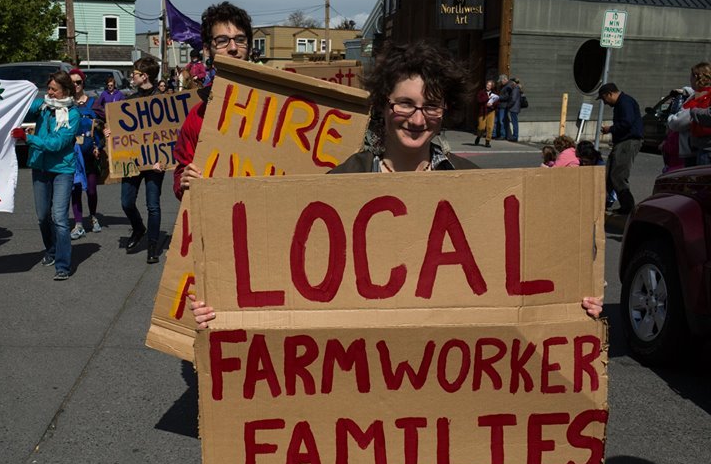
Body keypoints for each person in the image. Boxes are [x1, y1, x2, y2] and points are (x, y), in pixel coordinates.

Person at [189, 41, 604, 325]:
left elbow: (514, 277)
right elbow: (283, 275)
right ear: (384, 105)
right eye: (405, 103)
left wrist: (570, 302)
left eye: (432, 106)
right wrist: (223, 307)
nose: (418, 119)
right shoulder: (340, 183)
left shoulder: (475, 185)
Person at [173, 2, 254, 201]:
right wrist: (183, 181)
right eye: (223, 41)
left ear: (250, 47)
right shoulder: (197, 116)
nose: (233, 48)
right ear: (208, 50)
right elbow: (181, 171)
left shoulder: (281, 106)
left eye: (240, 39)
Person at [12, 70, 80, 281]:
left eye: (54, 90)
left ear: (66, 91)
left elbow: (57, 144)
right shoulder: (43, 107)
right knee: (43, 216)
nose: (49, 93)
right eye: (48, 88)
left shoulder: (73, 115)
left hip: (62, 170)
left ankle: (63, 264)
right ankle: (50, 250)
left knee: (59, 218)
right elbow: (21, 112)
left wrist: (29, 138)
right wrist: (21, 96)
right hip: (40, 168)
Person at [106, 56, 166, 263]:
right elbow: (121, 131)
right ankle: (139, 228)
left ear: (145, 76)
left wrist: (165, 159)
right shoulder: (129, 101)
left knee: (153, 205)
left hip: (155, 162)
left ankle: (152, 246)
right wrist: (110, 133)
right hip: (132, 160)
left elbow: (171, 135)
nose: (132, 75)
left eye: (135, 73)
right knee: (126, 202)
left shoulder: (164, 100)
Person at [67, 69, 103, 239]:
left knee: (91, 190)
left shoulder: (93, 103)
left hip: (89, 152)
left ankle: (94, 216)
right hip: (73, 154)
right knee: (75, 189)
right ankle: (78, 224)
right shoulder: (65, 104)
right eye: (72, 82)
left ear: (83, 83)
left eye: (78, 82)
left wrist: (100, 145)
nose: (75, 85)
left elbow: (103, 126)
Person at [598, 82, 643, 215]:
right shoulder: (622, 103)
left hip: (628, 141)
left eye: (604, 99)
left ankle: (628, 207)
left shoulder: (625, 102)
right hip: (622, 142)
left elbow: (627, 122)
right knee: (609, 173)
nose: (605, 103)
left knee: (618, 174)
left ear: (609, 94)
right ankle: (603, 203)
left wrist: (610, 129)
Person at [667, 62, 711, 167]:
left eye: (691, 76)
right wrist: (685, 90)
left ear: (696, 77)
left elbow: (678, 123)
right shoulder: (705, 93)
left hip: (696, 149)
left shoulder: (697, 99)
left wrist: (671, 116)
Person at [474, 79, 498, 147]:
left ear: (492, 86)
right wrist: (487, 98)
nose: (488, 86)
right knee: (481, 127)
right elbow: (479, 100)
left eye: (490, 85)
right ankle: (478, 136)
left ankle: (487, 141)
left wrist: (492, 105)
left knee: (490, 127)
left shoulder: (494, 93)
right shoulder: (481, 92)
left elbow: (497, 101)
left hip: (491, 111)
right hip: (483, 112)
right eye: (487, 84)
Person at [493, 74, 510, 140]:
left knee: (501, 121)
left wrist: (498, 97)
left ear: (505, 79)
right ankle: (497, 134)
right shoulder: (503, 86)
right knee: (497, 120)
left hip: (503, 106)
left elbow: (506, 96)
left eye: (501, 81)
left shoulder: (508, 87)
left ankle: (503, 135)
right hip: (500, 105)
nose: (500, 82)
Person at [506, 77, 523, 142]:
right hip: (515, 108)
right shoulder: (517, 88)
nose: (510, 84)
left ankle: (515, 137)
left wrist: (508, 106)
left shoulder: (515, 89)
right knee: (515, 122)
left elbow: (513, 99)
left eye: (511, 82)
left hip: (514, 108)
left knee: (514, 123)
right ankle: (515, 136)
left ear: (514, 82)